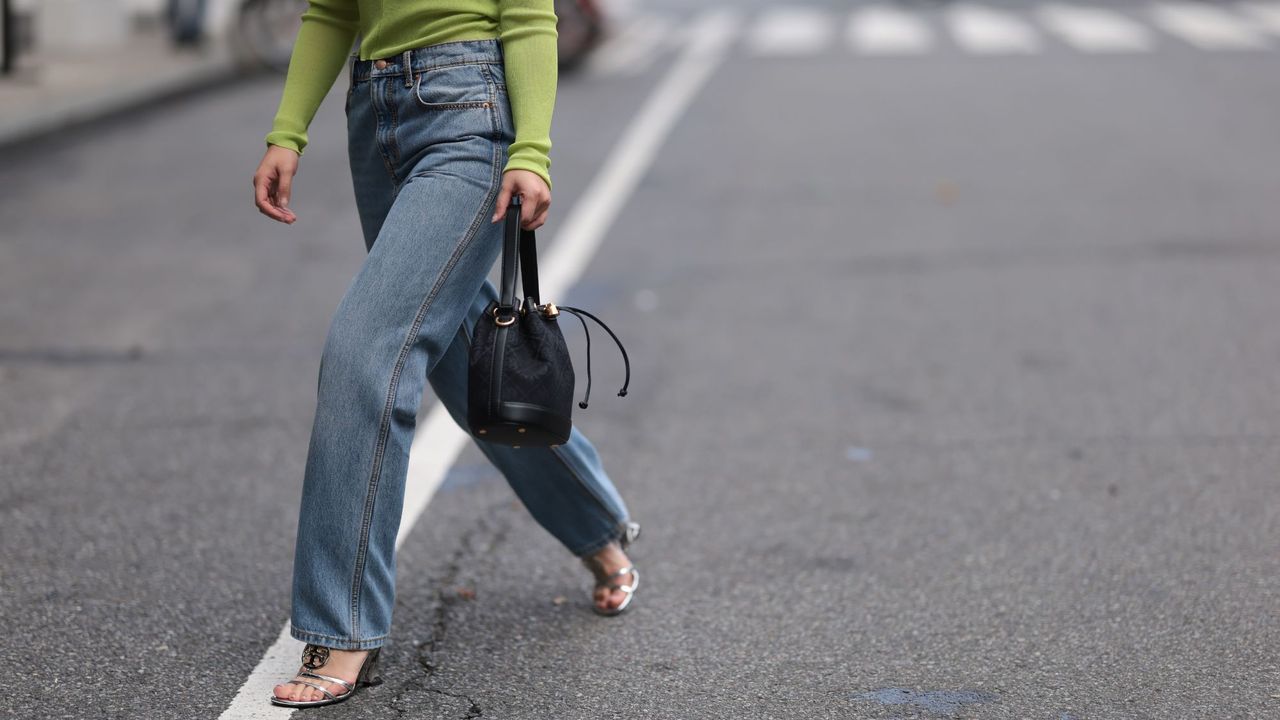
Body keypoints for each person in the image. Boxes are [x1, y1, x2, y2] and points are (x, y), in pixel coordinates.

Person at [251, 0, 641, 709]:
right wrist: (287, 131)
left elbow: (527, 15)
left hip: (467, 110)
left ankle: (343, 631)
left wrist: (532, 151)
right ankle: (595, 524)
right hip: (373, 117)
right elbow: (330, 11)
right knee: (460, 357)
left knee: (364, 353)